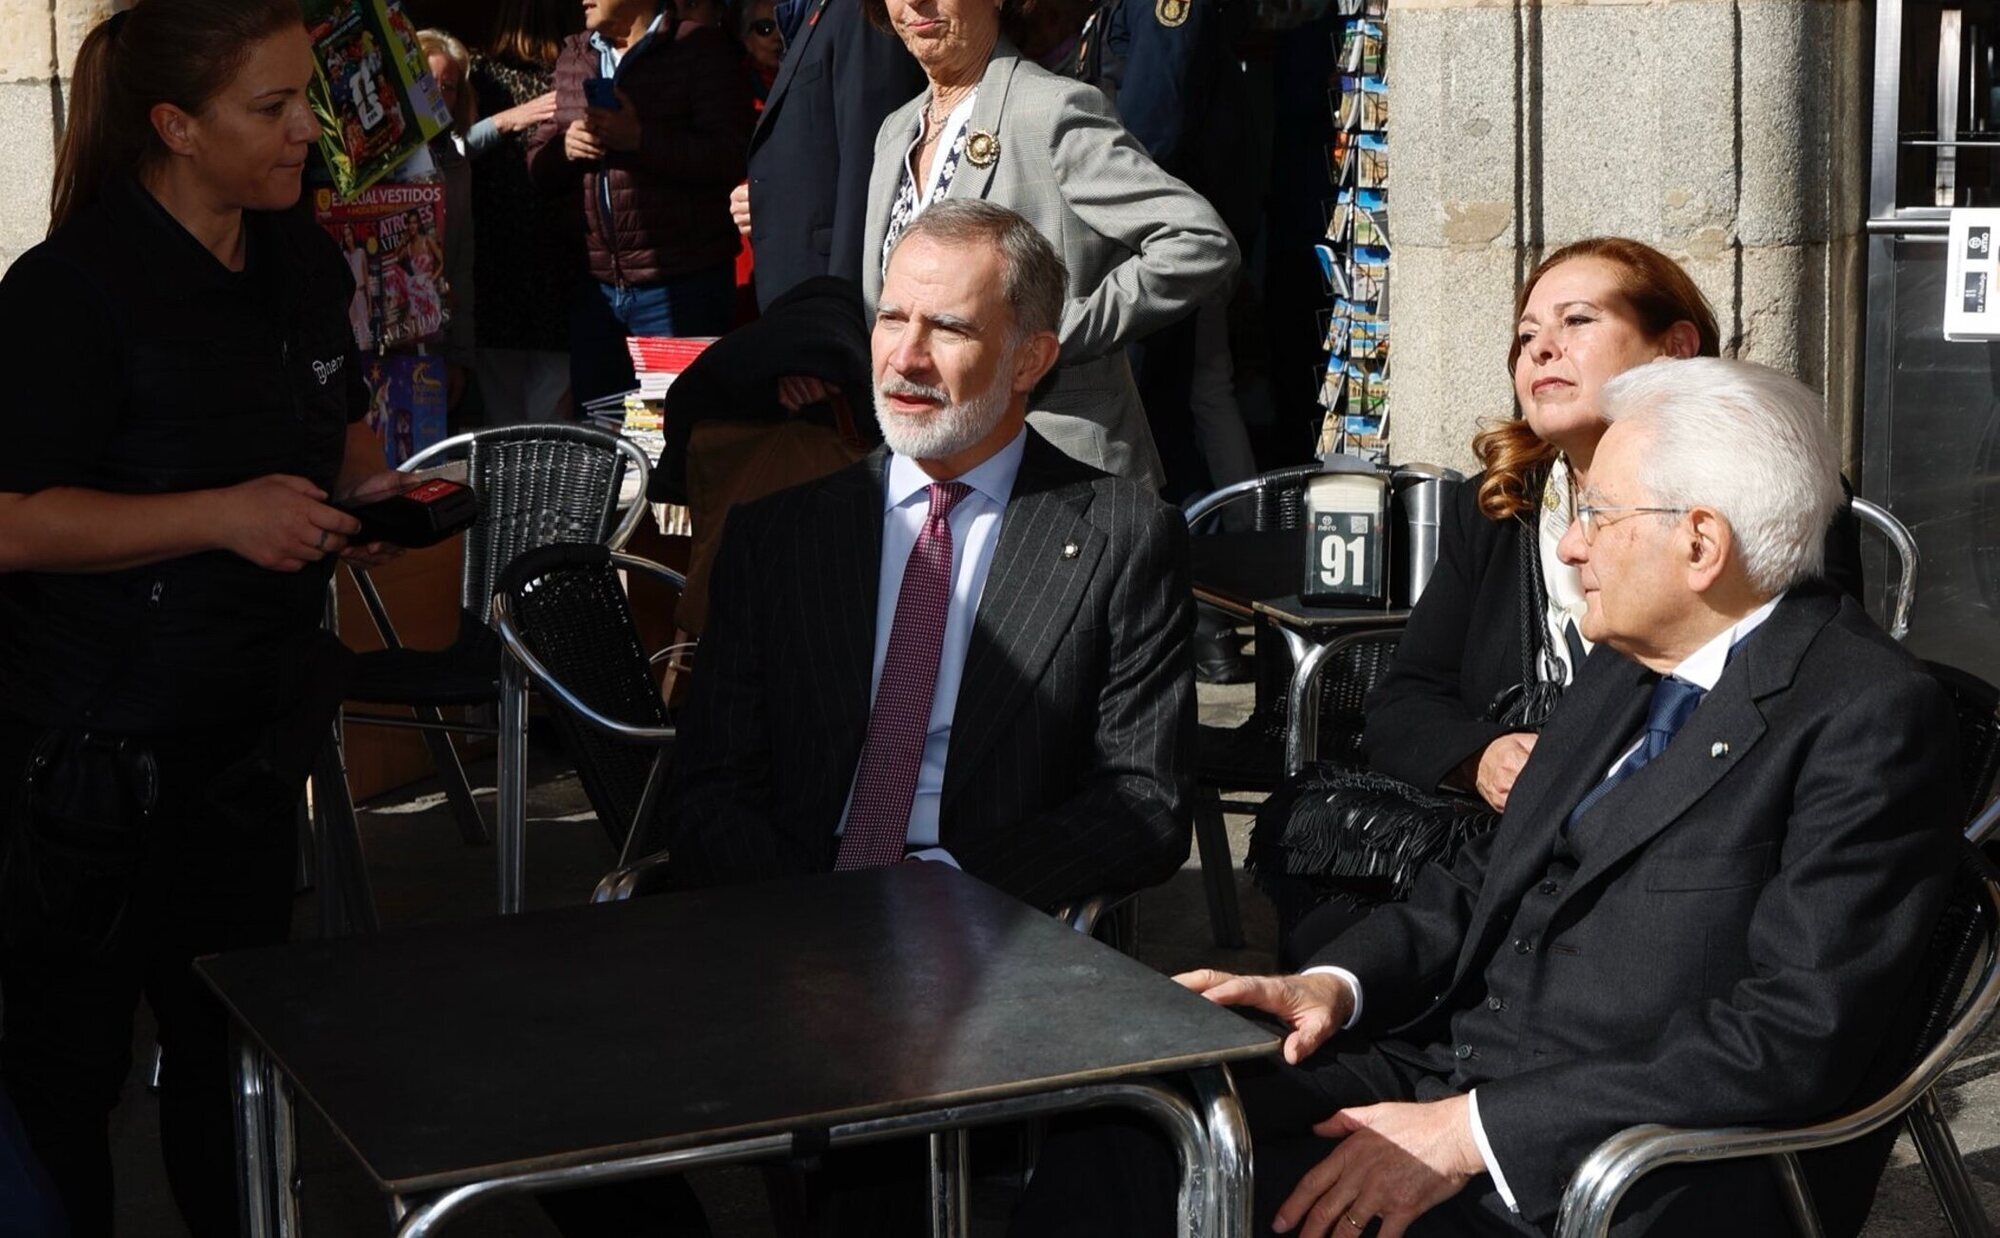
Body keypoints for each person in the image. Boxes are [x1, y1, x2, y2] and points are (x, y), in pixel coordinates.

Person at [1017, 356, 1963, 1238]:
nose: (1572, 548)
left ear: (1701, 542)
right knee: (1127, 1118)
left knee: (1218, 1190)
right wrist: (1335, 985)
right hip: (1452, 1068)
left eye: (1597, 515)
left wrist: (1472, 1134)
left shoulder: (1865, 715)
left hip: (1621, 1164)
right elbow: (1488, 871)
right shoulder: (1627, 661)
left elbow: (1793, 1034)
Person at [0, 2, 408, 1233]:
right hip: (87, 760)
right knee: (67, 1070)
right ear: (176, 126)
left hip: (245, 740)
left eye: (305, 99)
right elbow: (12, 521)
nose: (307, 132)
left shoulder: (300, 258)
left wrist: (374, 498)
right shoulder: (67, 291)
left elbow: (344, 433)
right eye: (271, 108)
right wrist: (221, 516)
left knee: (231, 1056)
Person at [668, 200, 1194, 914]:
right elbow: (709, 785)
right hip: (790, 910)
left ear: (1031, 360)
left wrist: (946, 893)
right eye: (891, 319)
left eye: (948, 328)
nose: (906, 358)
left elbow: (1145, 801)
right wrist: (807, 918)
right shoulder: (778, 536)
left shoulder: (1122, 537)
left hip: (988, 915)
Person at [857, 0, 1240, 490]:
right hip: (930, 476)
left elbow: (1199, 241)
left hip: (1060, 478)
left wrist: (1050, 337)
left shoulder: (1050, 110)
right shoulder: (896, 131)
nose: (914, 1)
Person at [526, 0, 753, 406]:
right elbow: (537, 164)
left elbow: (730, 155)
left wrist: (639, 140)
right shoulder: (575, 55)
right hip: (596, 292)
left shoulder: (700, 48)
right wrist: (565, 148)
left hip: (683, 285)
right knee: (601, 428)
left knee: (679, 426)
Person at [731, 0, 924, 310]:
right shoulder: (808, 12)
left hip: (832, 293)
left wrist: (841, 309)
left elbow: (866, 171)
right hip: (801, 284)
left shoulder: (859, 12)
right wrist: (768, 198)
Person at [466, 0, 573, 425]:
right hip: (547, 254)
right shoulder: (572, 72)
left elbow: (449, 152)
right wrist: (510, 119)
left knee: (503, 415)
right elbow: (450, 151)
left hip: (501, 255)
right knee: (551, 412)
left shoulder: (481, 73)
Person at [418, 28, 478, 418]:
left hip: (436, 342)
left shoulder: (456, 166)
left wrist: (460, 356)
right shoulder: (373, 166)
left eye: (449, 87)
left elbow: (461, 265)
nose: (438, 96)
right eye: (428, 83)